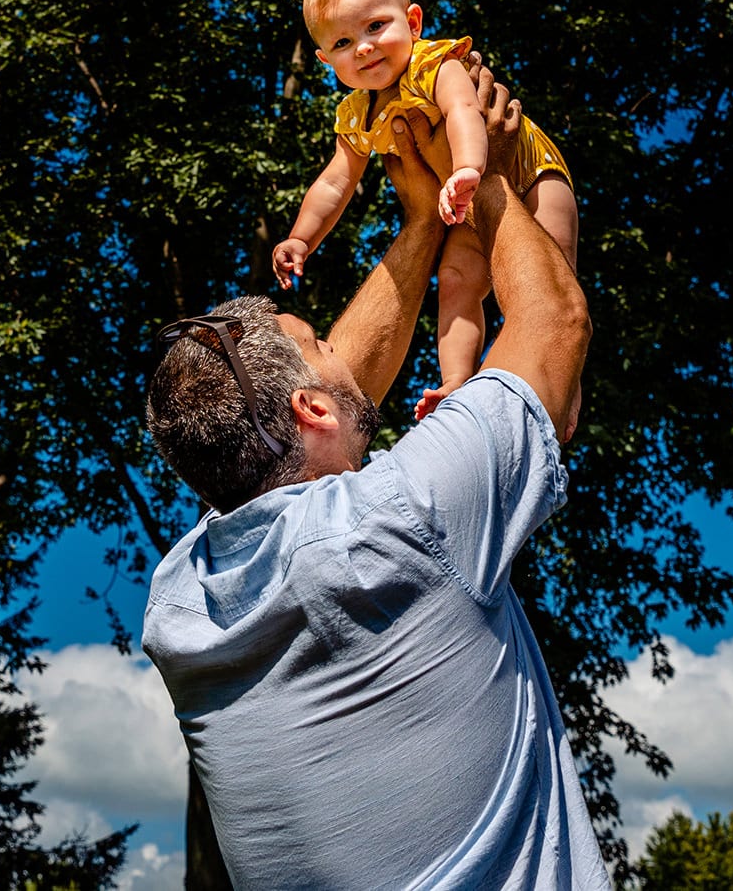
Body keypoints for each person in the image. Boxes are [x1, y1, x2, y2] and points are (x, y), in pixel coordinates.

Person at [142, 65, 606, 889]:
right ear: (310, 408)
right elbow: (555, 321)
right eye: (323, 339)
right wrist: (490, 173)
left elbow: (327, 399)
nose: (341, 348)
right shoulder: (404, 519)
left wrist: (427, 219)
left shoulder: (179, 605)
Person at [271, 0, 580, 420]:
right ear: (324, 59)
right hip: (458, 202)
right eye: (342, 41)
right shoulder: (356, 115)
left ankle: (566, 381)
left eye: (376, 26)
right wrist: (301, 237)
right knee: (454, 282)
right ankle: (457, 381)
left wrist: (472, 167)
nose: (364, 47)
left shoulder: (431, 64)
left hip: (527, 173)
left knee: (551, 266)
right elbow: (335, 181)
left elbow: (463, 111)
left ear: (412, 21)